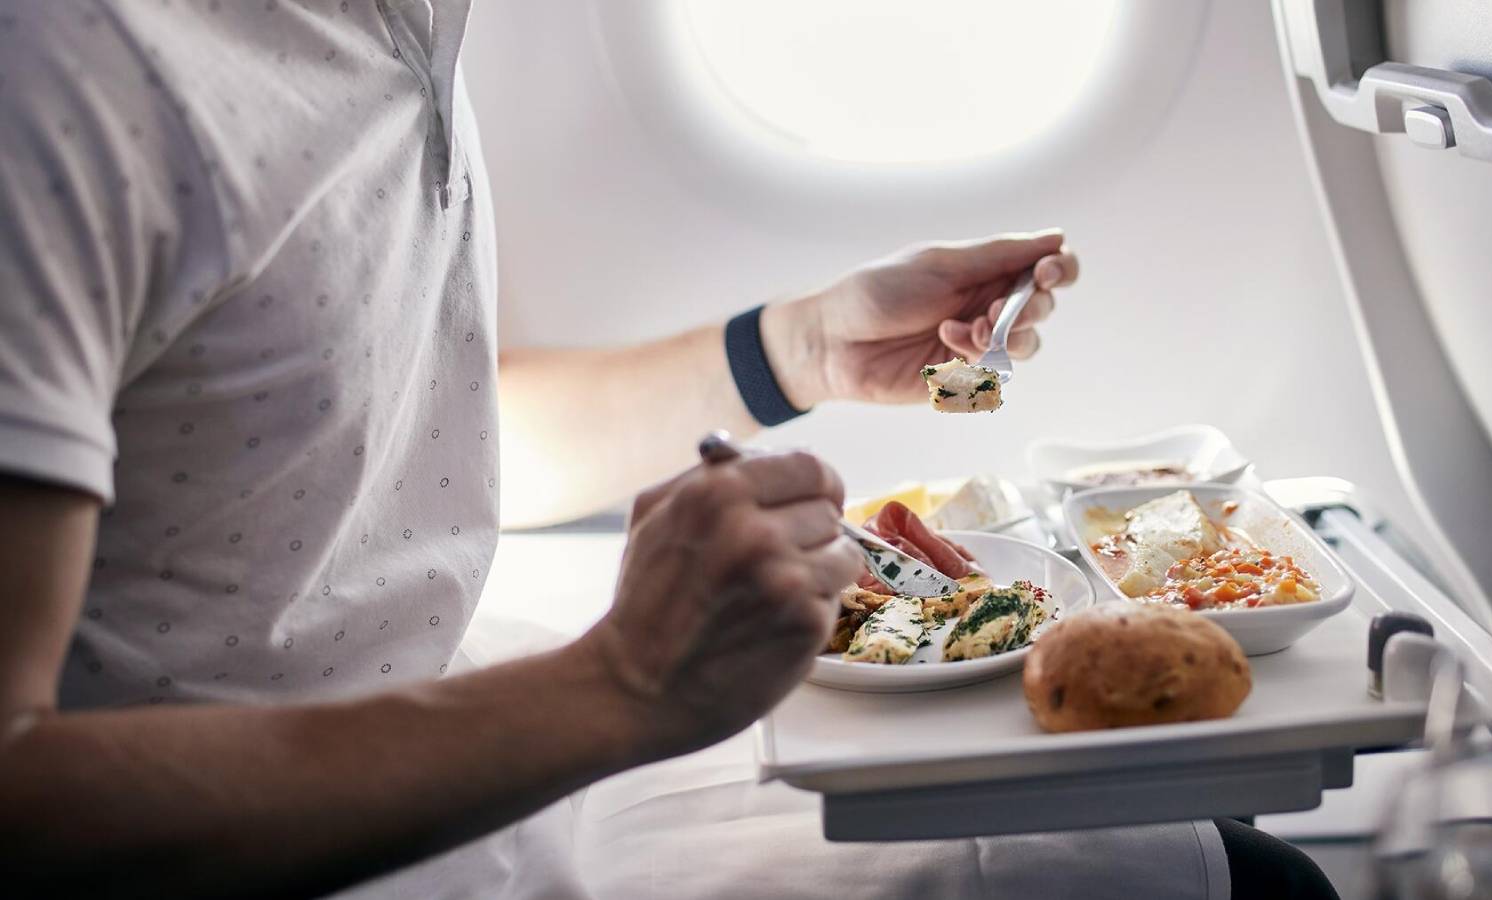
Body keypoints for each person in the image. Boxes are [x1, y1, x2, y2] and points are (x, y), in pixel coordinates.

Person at [0, 3, 1334, 898]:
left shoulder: (407, 27)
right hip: (340, 842)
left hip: (500, 753)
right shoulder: (69, 77)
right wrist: (621, 684)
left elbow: (384, 450)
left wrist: (799, 352)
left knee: (1233, 862)